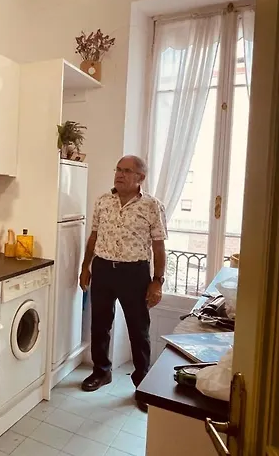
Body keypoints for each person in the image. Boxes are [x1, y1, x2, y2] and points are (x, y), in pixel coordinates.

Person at [79, 155, 167, 411]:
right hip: (103, 269)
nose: (119, 174)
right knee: (100, 324)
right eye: (118, 169)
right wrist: (85, 267)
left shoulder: (152, 205)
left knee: (138, 330)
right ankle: (101, 371)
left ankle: (142, 385)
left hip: (135, 273)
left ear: (141, 177)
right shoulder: (103, 201)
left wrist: (157, 281)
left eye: (127, 171)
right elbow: (93, 236)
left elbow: (159, 247)